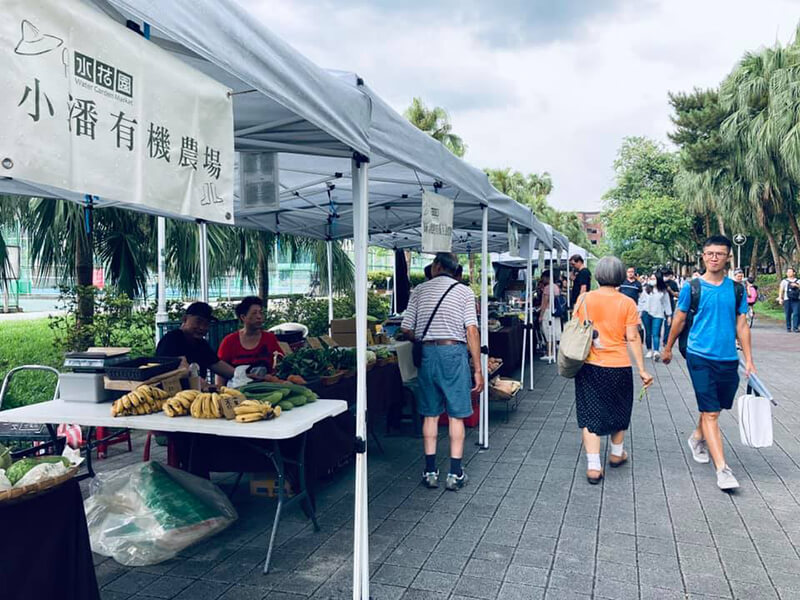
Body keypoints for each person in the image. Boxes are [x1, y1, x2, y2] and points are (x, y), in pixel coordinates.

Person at [663, 235, 755, 491]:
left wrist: (749, 360)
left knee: (716, 406)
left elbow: (742, 325)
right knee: (712, 412)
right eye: (709, 253)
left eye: (720, 254)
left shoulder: (736, 289)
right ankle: (723, 470)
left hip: (728, 358)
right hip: (699, 355)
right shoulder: (691, 287)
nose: (714, 257)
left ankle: (696, 438)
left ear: (728, 257)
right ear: (703, 256)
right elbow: (679, 319)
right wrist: (668, 348)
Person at [401, 252, 484, 491]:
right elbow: (471, 330)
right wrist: (478, 369)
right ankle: (455, 473)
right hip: (454, 352)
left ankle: (429, 471)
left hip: (428, 354)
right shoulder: (464, 292)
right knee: (457, 414)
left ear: (436, 266)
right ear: (454, 269)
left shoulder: (419, 290)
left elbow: (406, 328)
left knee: (431, 414)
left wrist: (424, 338)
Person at [572, 256, 653, 484]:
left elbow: (577, 329)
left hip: (589, 366)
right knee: (619, 409)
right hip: (619, 366)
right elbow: (633, 337)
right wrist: (642, 369)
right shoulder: (627, 302)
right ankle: (617, 454)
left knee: (590, 415)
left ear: (598, 275)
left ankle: (594, 466)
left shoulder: (584, 299)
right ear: (619, 276)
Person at [156, 302, 235, 382]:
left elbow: (217, 364)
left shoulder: (201, 344)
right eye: (198, 322)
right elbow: (180, 368)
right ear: (185, 319)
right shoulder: (171, 340)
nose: (202, 328)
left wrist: (241, 375)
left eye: (206, 324)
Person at [216, 296, 283, 385]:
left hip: (267, 389)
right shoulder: (229, 341)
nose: (259, 317)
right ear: (243, 317)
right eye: (254, 313)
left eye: (260, 313)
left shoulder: (270, 338)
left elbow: (281, 363)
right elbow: (220, 372)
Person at [639, 270, 672, 360]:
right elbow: (641, 301)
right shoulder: (646, 289)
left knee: (656, 333)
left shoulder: (663, 291)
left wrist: (669, 316)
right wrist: (639, 312)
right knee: (648, 333)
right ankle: (649, 350)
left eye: (654, 278)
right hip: (646, 313)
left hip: (658, 314)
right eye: (651, 278)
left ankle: (656, 351)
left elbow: (666, 303)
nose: (652, 280)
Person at [538, 269, 561, 360]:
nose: (542, 279)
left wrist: (541, 315)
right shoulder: (556, 287)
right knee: (553, 332)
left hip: (547, 312)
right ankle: (553, 352)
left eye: (543, 277)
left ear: (547, 277)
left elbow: (544, 303)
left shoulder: (547, 288)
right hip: (554, 311)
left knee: (547, 332)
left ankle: (549, 353)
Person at [662, 268, 680, 345]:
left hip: (669, 305)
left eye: (666, 275)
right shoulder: (658, 282)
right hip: (658, 305)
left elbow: (678, 295)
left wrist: (670, 291)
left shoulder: (673, 283)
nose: (665, 276)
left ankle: (665, 341)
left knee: (668, 324)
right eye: (663, 275)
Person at [778, 267, 800, 332]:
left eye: (790, 272)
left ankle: (795, 327)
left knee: (796, 313)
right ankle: (788, 327)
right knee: (788, 314)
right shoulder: (784, 281)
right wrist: (780, 298)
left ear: (794, 273)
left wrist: (796, 285)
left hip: (797, 300)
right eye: (787, 272)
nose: (788, 273)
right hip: (787, 299)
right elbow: (781, 290)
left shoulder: (798, 281)